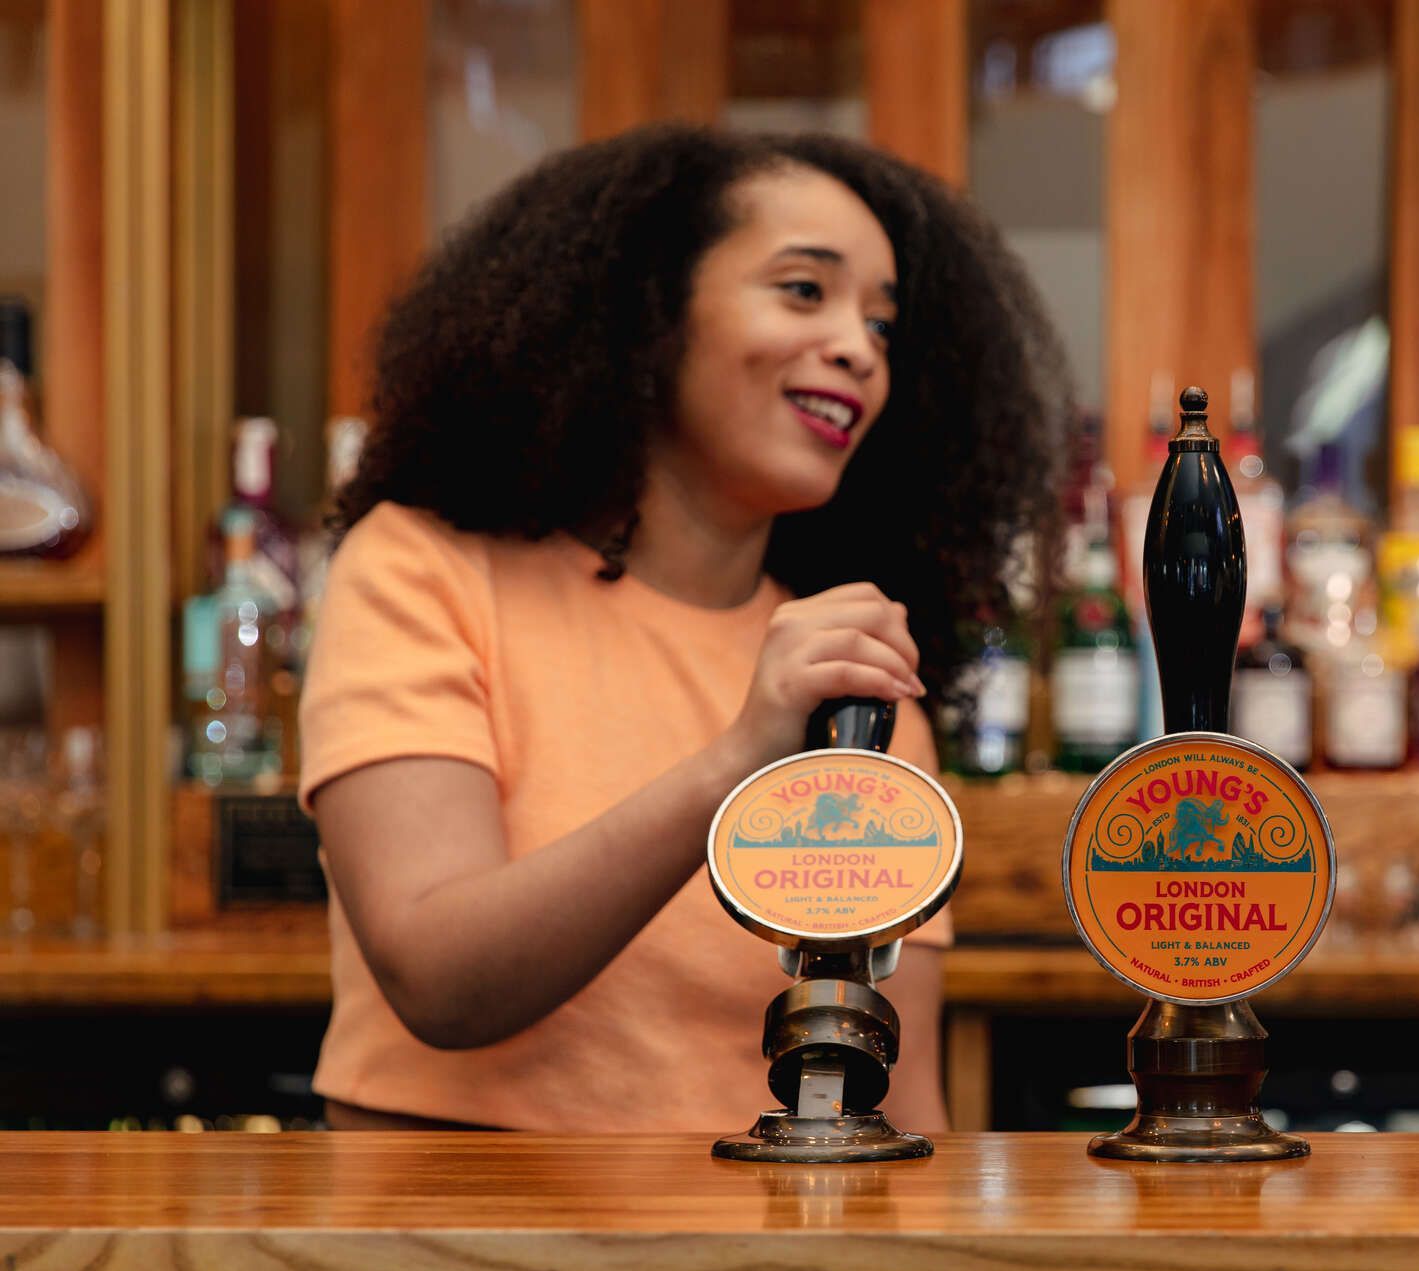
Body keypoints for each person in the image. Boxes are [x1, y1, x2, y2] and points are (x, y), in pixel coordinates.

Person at [300, 126, 1068, 1131]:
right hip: (453, 1258)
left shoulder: (855, 675)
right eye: (803, 290)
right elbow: (439, 977)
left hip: (750, 1260)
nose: (856, 349)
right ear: (648, 314)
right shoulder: (424, 568)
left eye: (883, 327)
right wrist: (740, 760)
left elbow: (900, 1092)